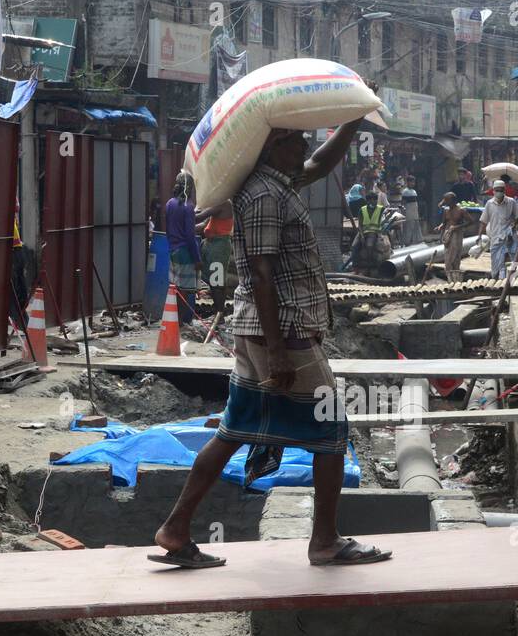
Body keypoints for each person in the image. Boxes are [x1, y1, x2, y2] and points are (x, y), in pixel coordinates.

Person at [152, 120, 392, 569]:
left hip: (268, 330)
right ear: (273, 147)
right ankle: (324, 541)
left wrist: (354, 120)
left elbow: (322, 161)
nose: (305, 144)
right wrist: (279, 350)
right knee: (331, 430)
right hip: (280, 331)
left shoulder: (278, 180)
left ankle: (176, 528)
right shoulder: (263, 194)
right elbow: (260, 274)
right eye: (296, 138)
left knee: (232, 432)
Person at [165, 173, 203, 319]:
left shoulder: (169, 204)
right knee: (185, 290)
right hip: (186, 252)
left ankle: (174, 319)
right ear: (190, 187)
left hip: (173, 250)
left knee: (176, 287)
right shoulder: (188, 206)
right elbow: (190, 235)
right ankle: (180, 321)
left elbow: (168, 229)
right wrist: (197, 258)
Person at [472, 180, 518, 280]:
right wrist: (479, 236)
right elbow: (483, 221)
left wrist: (513, 226)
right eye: (497, 190)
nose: (499, 192)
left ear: (504, 190)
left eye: (501, 190)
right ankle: (497, 282)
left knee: (513, 260)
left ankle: (516, 282)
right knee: (495, 263)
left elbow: (517, 218)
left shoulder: (511, 202)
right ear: (493, 191)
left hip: (510, 237)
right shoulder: (489, 204)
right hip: (495, 237)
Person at [349, 189, 389, 275]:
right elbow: (360, 225)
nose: (372, 201)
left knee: (369, 245)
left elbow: (388, 212)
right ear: (367, 200)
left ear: (376, 200)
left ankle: (370, 266)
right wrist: (362, 235)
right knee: (354, 246)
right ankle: (355, 267)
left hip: (374, 232)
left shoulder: (381, 209)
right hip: (363, 232)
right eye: (370, 200)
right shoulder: (362, 210)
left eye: (374, 199)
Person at [437, 192, 470, 284]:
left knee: (455, 257)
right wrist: (440, 226)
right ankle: (450, 280)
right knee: (448, 258)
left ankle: (455, 279)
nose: (445, 202)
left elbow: (470, 222)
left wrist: (457, 227)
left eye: (447, 200)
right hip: (448, 235)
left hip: (457, 235)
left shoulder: (461, 210)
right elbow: (444, 222)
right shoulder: (446, 211)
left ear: (453, 200)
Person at [400, 175, 423, 246]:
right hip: (408, 211)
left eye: (414, 182)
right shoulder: (405, 191)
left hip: (414, 211)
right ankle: (407, 242)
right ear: (408, 182)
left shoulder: (414, 191)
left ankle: (416, 241)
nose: (413, 183)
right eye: (411, 182)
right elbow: (403, 203)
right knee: (408, 227)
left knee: (416, 225)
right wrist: (404, 213)